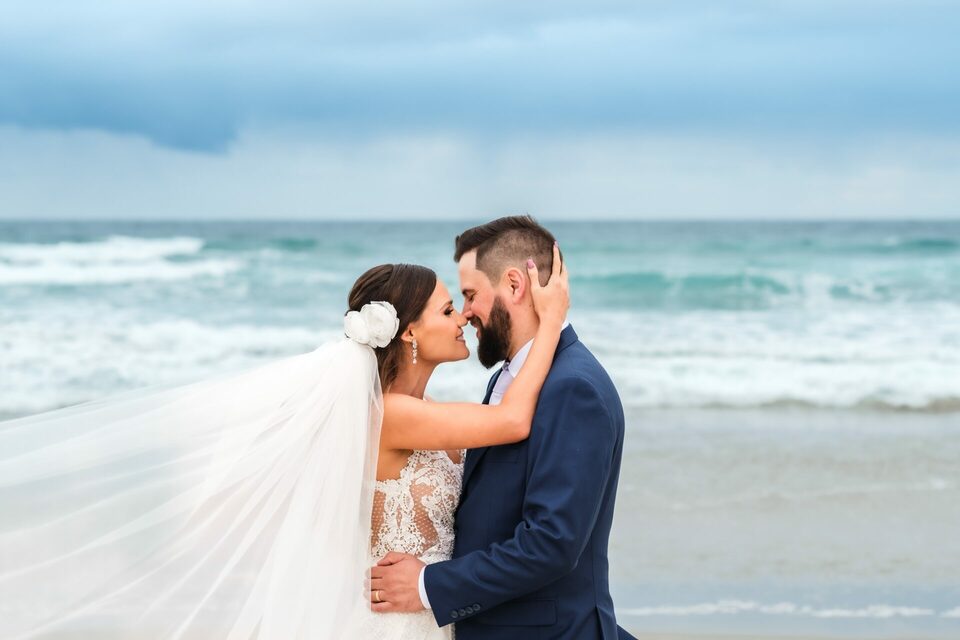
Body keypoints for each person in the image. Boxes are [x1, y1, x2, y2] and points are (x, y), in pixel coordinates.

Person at [0, 243, 568, 639]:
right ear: (411, 332)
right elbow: (514, 421)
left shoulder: (428, 413)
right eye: (449, 309)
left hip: (430, 612)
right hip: (394, 625)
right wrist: (551, 322)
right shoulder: (392, 415)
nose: (464, 318)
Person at [369, 216, 636, 640]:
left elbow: (551, 543)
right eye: (453, 304)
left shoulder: (572, 389)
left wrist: (427, 586)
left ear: (514, 285)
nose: (465, 314)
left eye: (470, 295)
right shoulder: (511, 381)